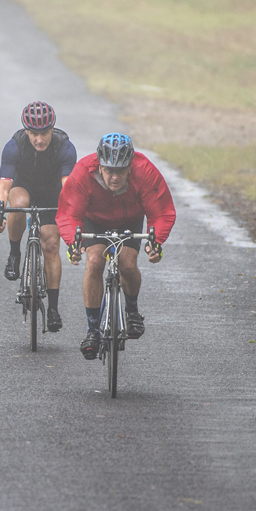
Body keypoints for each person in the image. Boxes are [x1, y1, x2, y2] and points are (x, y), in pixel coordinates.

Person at [55, 133, 176, 359]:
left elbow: (161, 212)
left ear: (130, 166)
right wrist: (73, 243)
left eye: (120, 171)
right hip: (95, 220)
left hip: (129, 220)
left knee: (127, 264)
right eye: (109, 170)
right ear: (99, 165)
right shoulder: (83, 171)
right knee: (94, 262)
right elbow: (69, 212)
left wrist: (155, 242)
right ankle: (92, 330)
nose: (114, 177)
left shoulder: (145, 171)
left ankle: (132, 311)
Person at [0, 101, 77, 332]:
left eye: (45, 133)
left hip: (52, 194)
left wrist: (72, 222)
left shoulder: (64, 147)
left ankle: (53, 309)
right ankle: (14, 254)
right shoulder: (14, 146)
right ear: (26, 131)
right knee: (19, 204)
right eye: (34, 134)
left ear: (52, 129)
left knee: (50, 244)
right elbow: (3, 188)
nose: (39, 139)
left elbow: (69, 190)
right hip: (24, 187)